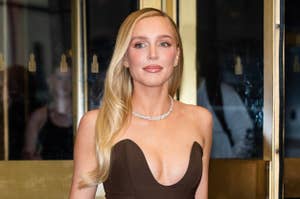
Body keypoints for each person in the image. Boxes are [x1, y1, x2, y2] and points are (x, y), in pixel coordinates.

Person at [69, 8, 212, 199]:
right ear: (125, 57)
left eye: (164, 43)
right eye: (140, 45)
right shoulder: (96, 124)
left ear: (176, 55)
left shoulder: (201, 120)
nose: (153, 54)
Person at [22, 67, 73, 160]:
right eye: (59, 78)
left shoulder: (83, 114)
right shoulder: (39, 117)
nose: (65, 83)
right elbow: (29, 153)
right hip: (46, 173)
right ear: (50, 81)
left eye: (69, 78)